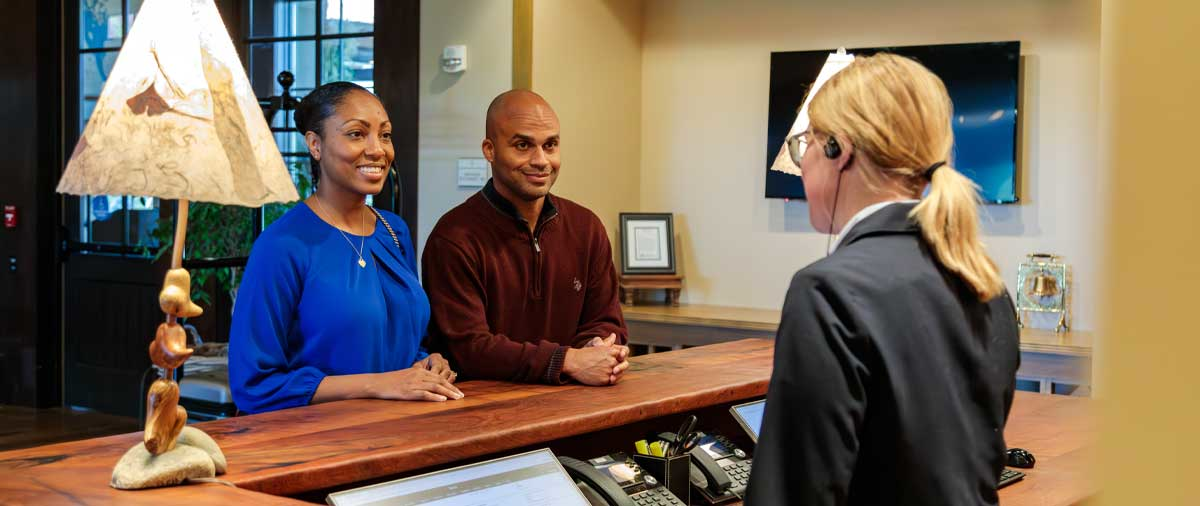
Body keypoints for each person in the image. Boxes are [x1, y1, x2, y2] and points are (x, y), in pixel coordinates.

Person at [745, 54, 1020, 505]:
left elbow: (793, 492)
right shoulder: (985, 282)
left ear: (839, 149)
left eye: (804, 146)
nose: (802, 165)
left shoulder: (828, 292)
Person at [230, 82, 463, 414]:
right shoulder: (281, 246)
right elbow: (254, 384)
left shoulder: (393, 231)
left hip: (403, 429)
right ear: (315, 145)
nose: (377, 149)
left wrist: (428, 361)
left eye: (384, 135)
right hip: (323, 439)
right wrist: (378, 384)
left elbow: (402, 342)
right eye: (356, 134)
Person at [421, 89, 630, 386]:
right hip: (482, 412)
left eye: (551, 145)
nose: (541, 160)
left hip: (578, 402)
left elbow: (607, 320)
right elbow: (468, 348)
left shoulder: (586, 227)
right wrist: (567, 361)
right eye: (523, 145)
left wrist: (595, 350)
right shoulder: (454, 237)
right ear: (489, 150)